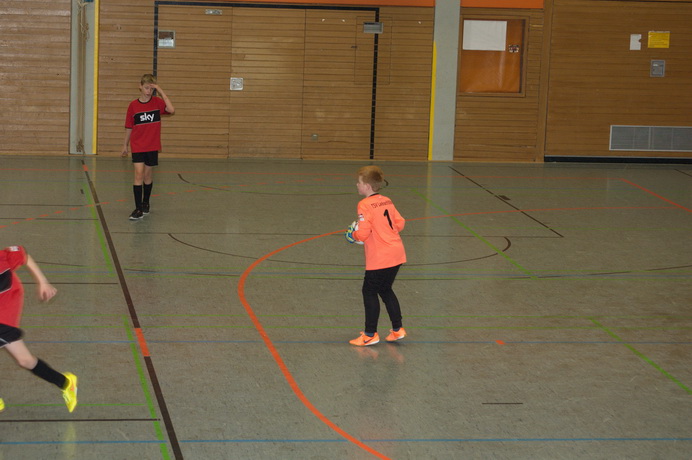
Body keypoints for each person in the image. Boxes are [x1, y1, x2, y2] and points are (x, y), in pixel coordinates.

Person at [0, 245, 77, 413]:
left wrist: (43, 282)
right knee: (25, 361)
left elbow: (24, 255)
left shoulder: (2, 259)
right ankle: (65, 382)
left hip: (6, 309)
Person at [345, 165, 407, 346]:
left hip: (380, 257)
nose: (357, 185)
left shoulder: (364, 205)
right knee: (385, 289)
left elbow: (363, 233)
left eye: (359, 182)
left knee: (369, 292)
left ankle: (370, 334)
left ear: (366, 186)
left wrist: (353, 235)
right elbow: (400, 223)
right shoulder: (387, 200)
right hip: (397, 252)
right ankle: (397, 329)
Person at [121, 73, 175, 220]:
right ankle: (138, 208)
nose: (148, 91)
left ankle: (146, 203)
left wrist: (160, 90)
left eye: (151, 89)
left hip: (152, 145)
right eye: (146, 88)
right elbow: (129, 127)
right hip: (138, 145)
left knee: (147, 176)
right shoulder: (133, 106)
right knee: (138, 174)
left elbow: (171, 110)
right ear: (140, 87)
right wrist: (125, 145)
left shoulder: (157, 102)